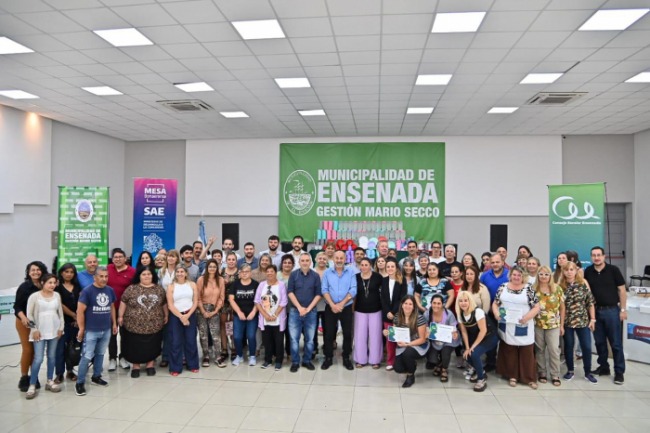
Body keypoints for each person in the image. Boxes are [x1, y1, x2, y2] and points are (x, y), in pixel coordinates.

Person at [584, 246, 627, 385]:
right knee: (599, 342)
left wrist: (623, 310)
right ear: (591, 257)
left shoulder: (613, 270)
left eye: (599, 255)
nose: (596, 257)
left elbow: (621, 290)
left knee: (615, 343)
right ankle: (603, 367)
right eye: (594, 255)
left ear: (604, 256)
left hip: (612, 311)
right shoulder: (588, 271)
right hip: (595, 312)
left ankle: (619, 372)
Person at [493, 266, 540, 389]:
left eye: (519, 275)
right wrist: (497, 314)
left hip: (523, 323)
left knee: (526, 351)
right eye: (514, 275)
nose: (516, 277)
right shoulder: (503, 287)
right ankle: (512, 375)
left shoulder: (529, 288)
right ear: (510, 275)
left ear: (523, 276)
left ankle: (529, 378)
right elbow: (495, 303)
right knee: (509, 350)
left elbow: (536, 307)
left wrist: (526, 317)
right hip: (507, 324)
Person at [75, 266, 117, 396]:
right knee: (87, 356)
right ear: (95, 277)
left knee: (100, 354)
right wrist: (82, 328)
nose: (104, 279)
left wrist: (114, 323)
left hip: (106, 329)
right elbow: (80, 311)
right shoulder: (87, 292)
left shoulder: (110, 290)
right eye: (101, 276)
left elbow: (112, 307)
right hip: (91, 330)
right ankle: (80, 382)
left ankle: (96, 376)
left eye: (106, 276)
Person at [119, 266, 168, 378]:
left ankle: (150, 365)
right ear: (139, 276)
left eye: (149, 274)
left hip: (154, 325)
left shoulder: (159, 289)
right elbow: (123, 302)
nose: (147, 276)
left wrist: (166, 314)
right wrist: (120, 316)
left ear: (153, 275)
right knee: (134, 346)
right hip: (133, 325)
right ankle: (136, 366)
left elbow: (164, 303)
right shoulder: (131, 288)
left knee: (152, 345)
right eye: (144, 274)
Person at [25, 273, 64, 399]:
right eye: (50, 283)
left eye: (54, 283)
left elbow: (60, 314)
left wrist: (61, 328)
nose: (52, 285)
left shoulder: (57, 295)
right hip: (39, 331)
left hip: (54, 330)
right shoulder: (34, 297)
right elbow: (29, 315)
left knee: (52, 357)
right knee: (38, 358)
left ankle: (49, 380)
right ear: (43, 283)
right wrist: (34, 329)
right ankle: (32, 384)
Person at [14, 260, 49, 392]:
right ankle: (24, 377)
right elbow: (17, 307)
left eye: (38, 269)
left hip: (40, 322)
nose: (35, 272)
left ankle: (33, 376)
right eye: (32, 270)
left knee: (36, 351)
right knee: (28, 349)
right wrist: (24, 318)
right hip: (24, 322)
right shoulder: (24, 287)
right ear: (28, 273)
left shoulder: (45, 285)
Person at [561, 260, 597, 383]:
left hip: (583, 321)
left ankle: (588, 372)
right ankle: (570, 370)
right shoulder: (561, 286)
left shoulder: (582, 285)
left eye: (571, 269)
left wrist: (592, 319)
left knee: (586, 346)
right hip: (567, 322)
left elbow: (590, 303)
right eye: (566, 270)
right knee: (569, 346)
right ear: (563, 272)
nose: (569, 272)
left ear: (576, 271)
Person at [321, 250, 357, 370]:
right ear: (333, 259)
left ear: (345, 259)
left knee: (347, 333)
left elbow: (353, 290)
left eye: (342, 258)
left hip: (346, 307)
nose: (339, 260)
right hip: (330, 307)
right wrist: (332, 305)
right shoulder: (327, 272)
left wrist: (341, 304)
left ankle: (346, 357)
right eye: (337, 258)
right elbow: (324, 290)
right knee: (329, 333)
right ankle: (328, 358)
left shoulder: (351, 272)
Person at [383, 295, 429, 388]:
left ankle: (410, 376)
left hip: (418, 345)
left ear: (414, 306)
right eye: (406, 303)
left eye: (410, 304)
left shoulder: (419, 318)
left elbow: (422, 339)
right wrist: (388, 333)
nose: (408, 306)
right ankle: (412, 364)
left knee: (407, 353)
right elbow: (395, 335)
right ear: (402, 305)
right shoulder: (397, 316)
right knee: (397, 368)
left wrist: (408, 344)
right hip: (403, 345)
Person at [456, 291, 498, 392]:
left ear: (470, 301)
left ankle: (481, 379)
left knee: (474, 354)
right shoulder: (460, 314)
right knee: (466, 354)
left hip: (489, 337)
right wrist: (467, 348)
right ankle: (481, 371)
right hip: (478, 338)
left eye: (466, 300)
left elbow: (483, 331)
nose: (463, 303)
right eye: (460, 301)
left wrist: (472, 347)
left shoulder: (478, 312)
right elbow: (464, 332)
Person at [287, 253, 321, 372]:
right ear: (299, 262)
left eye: (307, 260)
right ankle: (295, 362)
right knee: (294, 339)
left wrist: (308, 308)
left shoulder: (315, 276)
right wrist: (300, 308)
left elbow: (318, 294)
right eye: (303, 260)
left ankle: (307, 361)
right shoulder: (293, 275)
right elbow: (290, 292)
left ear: (310, 262)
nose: (305, 262)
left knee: (310, 339)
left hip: (311, 312)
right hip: (295, 311)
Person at [533, 265, 565, 386]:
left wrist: (561, 325)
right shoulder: (533, 288)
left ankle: (555, 374)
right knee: (540, 349)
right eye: (541, 274)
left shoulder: (557, 288)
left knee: (554, 350)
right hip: (538, 324)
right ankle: (542, 372)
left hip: (553, 325)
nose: (543, 276)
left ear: (550, 276)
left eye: (546, 274)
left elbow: (562, 308)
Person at [166, 266, 199, 375]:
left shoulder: (192, 285)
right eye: (178, 272)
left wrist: (187, 315)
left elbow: (195, 302)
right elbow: (170, 305)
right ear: (175, 274)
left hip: (190, 314)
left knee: (191, 340)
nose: (180, 273)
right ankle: (175, 368)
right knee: (175, 342)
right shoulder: (171, 286)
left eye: (182, 271)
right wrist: (181, 317)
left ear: (186, 273)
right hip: (176, 316)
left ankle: (193, 365)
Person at [106, 248, 135, 371]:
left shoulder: (132, 271)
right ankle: (112, 358)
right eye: (115, 257)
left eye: (120, 257)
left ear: (125, 258)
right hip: (109, 308)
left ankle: (123, 357)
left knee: (125, 334)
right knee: (112, 334)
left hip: (126, 309)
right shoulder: (107, 269)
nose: (117, 259)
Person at [254, 265, 287, 370]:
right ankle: (267, 360)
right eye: (267, 271)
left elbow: (283, 302)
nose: (269, 273)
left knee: (278, 341)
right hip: (265, 318)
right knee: (267, 340)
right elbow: (257, 301)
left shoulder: (281, 285)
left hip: (278, 318)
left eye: (271, 271)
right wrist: (266, 315)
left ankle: (278, 361)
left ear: (275, 272)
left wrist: (275, 315)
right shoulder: (261, 285)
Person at [353, 258, 383, 369]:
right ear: (359, 266)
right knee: (360, 336)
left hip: (376, 310)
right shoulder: (355, 278)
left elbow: (383, 293)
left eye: (366, 264)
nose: (364, 267)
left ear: (370, 265)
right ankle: (360, 360)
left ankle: (375, 360)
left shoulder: (377, 277)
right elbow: (353, 294)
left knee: (375, 336)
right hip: (360, 310)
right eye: (362, 265)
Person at [54, 263, 81, 383]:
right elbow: (59, 304)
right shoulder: (57, 288)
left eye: (71, 272)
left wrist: (78, 318)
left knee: (72, 348)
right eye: (66, 272)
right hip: (61, 323)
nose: (69, 274)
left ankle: (70, 371)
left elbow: (82, 302)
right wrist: (73, 315)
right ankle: (59, 373)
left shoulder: (78, 286)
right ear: (61, 273)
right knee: (59, 349)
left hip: (76, 323)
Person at [229, 264, 259, 366]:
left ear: (250, 273)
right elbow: (231, 299)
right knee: (237, 337)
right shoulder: (235, 284)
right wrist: (239, 312)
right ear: (240, 273)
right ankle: (239, 356)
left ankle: (252, 356)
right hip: (238, 315)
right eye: (243, 272)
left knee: (251, 336)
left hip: (252, 315)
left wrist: (253, 312)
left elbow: (258, 301)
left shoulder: (256, 284)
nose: (245, 273)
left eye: (247, 271)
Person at [197, 259, 225, 367]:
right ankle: (206, 356)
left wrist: (215, 311)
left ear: (217, 268)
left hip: (215, 309)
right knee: (203, 335)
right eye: (210, 266)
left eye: (214, 266)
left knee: (215, 334)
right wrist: (203, 311)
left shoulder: (221, 280)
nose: (212, 268)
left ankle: (218, 357)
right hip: (201, 309)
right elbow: (198, 297)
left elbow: (221, 297)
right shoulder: (201, 279)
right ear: (207, 268)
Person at [380, 258, 407, 371]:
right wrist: (387, 312)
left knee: (400, 338)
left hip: (399, 314)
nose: (390, 269)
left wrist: (394, 312)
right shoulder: (384, 280)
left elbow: (402, 298)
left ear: (396, 268)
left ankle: (401, 361)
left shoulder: (402, 280)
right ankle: (390, 361)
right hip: (387, 315)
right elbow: (383, 299)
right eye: (388, 267)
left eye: (392, 266)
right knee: (390, 340)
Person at [427, 294, 460, 383]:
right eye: (434, 303)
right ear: (431, 303)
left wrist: (455, 333)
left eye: (439, 303)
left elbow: (454, 328)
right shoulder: (427, 313)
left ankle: (444, 369)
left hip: (449, 340)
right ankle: (439, 364)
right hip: (434, 340)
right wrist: (427, 332)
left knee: (446, 353)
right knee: (431, 359)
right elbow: (424, 326)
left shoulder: (449, 314)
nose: (436, 305)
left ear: (442, 304)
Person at [158, 249, 180, 368]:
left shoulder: (180, 270)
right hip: (165, 305)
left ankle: (178, 356)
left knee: (177, 332)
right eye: (169, 256)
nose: (171, 258)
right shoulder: (161, 271)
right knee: (167, 332)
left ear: (177, 258)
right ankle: (165, 356)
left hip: (178, 304)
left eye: (173, 256)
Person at [219, 252, 239, 363]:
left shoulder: (239, 273)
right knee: (222, 325)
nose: (231, 261)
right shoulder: (221, 272)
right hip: (223, 302)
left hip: (235, 302)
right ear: (226, 261)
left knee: (231, 325)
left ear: (236, 261)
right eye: (229, 259)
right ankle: (224, 349)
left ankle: (233, 348)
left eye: (233, 259)